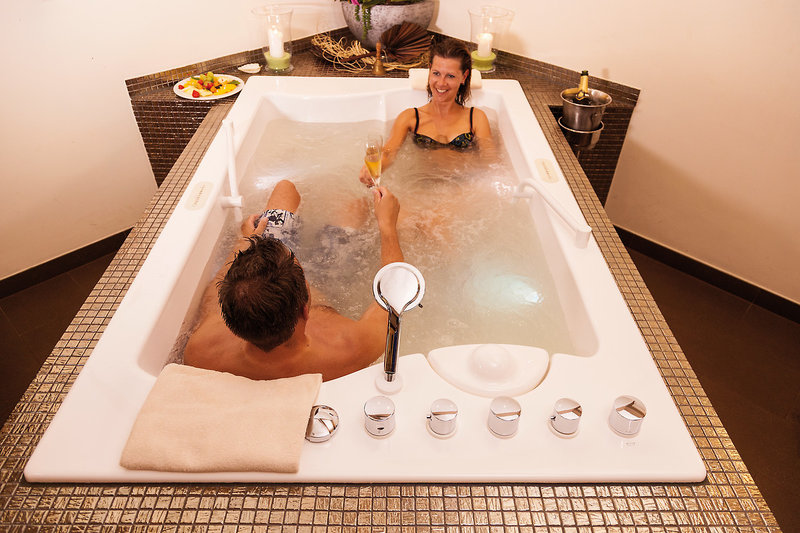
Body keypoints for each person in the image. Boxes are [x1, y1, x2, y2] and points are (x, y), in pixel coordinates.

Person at [183, 179, 404, 382]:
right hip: (330, 274)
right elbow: (396, 290)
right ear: (306, 310)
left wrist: (246, 241)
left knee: (285, 188)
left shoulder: (202, 351)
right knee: (354, 208)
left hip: (267, 268)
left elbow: (214, 292)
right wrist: (387, 226)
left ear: (229, 317)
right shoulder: (348, 349)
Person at [359, 37, 494, 187]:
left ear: (464, 76)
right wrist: (376, 168)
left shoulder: (475, 118)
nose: (441, 83)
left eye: (450, 76)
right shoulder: (410, 117)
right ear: (429, 71)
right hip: (422, 185)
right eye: (436, 73)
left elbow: (491, 164)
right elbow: (389, 152)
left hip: (463, 187)